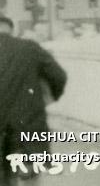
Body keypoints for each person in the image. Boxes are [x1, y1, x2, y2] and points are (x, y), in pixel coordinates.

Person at [0, 16, 67, 185]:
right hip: (29, 128)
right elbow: (59, 76)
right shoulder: (29, 48)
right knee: (30, 178)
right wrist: (48, 99)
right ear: (11, 30)